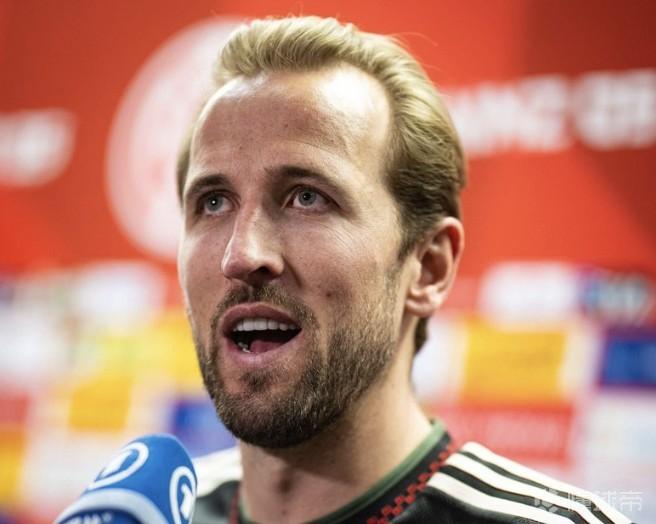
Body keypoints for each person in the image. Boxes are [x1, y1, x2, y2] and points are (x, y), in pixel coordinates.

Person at [176, 16, 631, 524]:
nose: (241, 255)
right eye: (213, 202)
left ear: (429, 267)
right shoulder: (151, 514)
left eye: (307, 198)